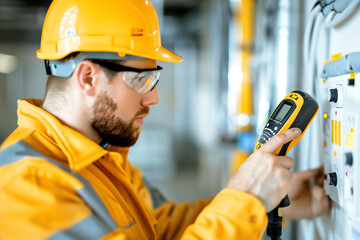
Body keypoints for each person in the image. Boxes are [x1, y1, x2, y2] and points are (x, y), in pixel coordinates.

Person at [0, 0, 329, 239]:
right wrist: (246, 199)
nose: (153, 97)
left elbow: (164, 226)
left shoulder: (102, 159)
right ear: (88, 78)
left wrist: (263, 203)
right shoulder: (25, 187)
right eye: (142, 80)